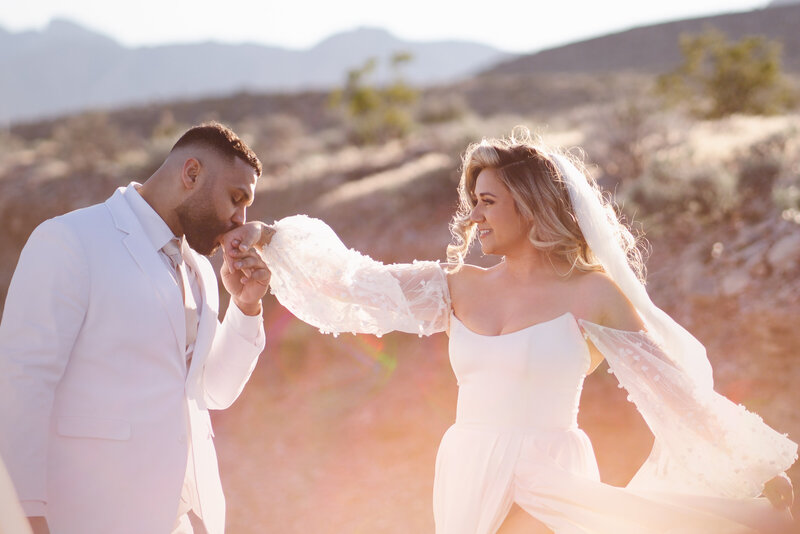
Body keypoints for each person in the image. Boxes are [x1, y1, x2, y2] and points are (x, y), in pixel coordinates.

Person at [226, 127, 796, 533]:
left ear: (529, 206)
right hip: (467, 466)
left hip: (549, 471)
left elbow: (675, 394)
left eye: (489, 201)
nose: (475, 216)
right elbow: (353, 281)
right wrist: (271, 238)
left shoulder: (594, 294)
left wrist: (757, 471)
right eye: (473, 202)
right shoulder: (456, 286)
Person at [0, 122, 271, 534]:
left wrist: (246, 305)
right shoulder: (70, 240)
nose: (240, 219)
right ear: (191, 173)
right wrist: (23, 517)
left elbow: (212, 392)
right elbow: (20, 386)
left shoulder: (199, 270)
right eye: (236, 199)